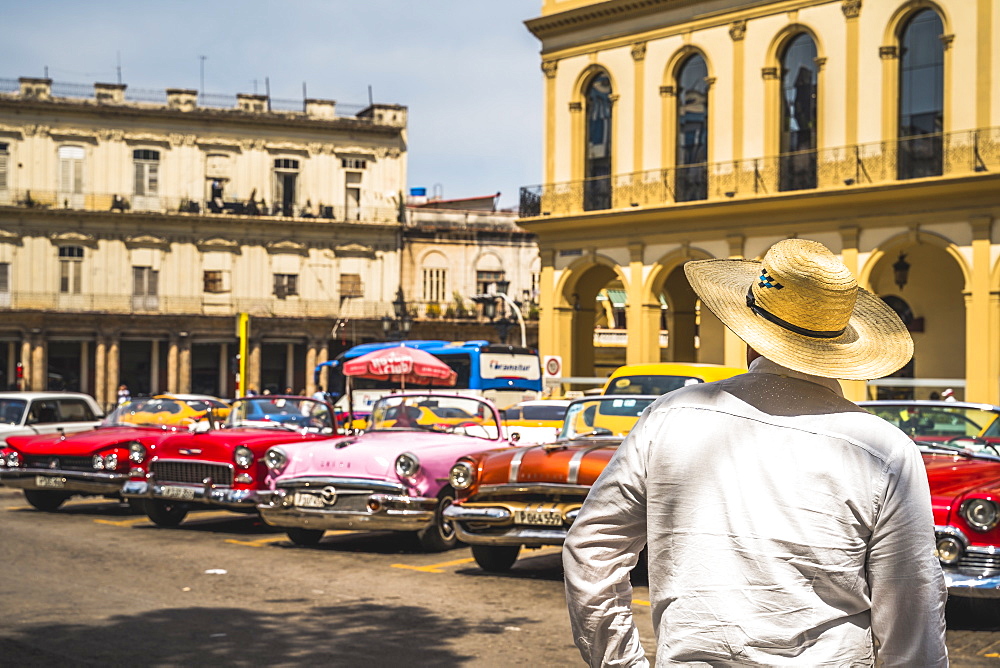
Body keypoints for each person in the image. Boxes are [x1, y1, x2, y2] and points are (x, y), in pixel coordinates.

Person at [563, 239, 948, 667]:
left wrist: (621, 663)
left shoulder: (669, 417)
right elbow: (912, 619)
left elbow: (592, 548)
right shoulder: (884, 451)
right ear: (839, 346)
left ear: (749, 332)